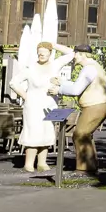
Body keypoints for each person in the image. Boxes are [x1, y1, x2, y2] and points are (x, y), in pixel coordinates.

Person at [59, 46, 106, 176]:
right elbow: (78, 85)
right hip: (97, 105)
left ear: (82, 54)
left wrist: (59, 89)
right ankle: (91, 165)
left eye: (75, 54)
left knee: (80, 134)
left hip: (95, 105)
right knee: (85, 135)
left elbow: (76, 90)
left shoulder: (89, 69)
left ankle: (84, 168)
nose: (74, 57)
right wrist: (62, 83)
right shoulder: (94, 66)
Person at [18, 44, 66, 172]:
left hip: (49, 105)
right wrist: (26, 97)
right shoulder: (30, 68)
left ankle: (42, 162)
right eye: (39, 52)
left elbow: (71, 53)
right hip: (33, 107)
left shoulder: (55, 65)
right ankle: (29, 163)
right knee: (33, 133)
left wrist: (53, 44)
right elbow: (14, 83)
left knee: (47, 132)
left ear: (50, 53)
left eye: (45, 52)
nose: (42, 54)